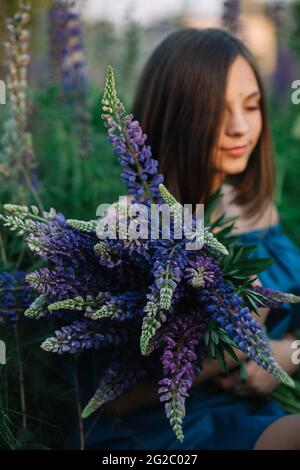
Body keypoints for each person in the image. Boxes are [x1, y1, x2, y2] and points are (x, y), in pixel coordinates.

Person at [79, 27, 300, 450]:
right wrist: (237, 350)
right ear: (176, 115)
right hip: (173, 431)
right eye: (216, 109)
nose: (240, 127)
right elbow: (110, 398)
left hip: (264, 410)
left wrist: (283, 354)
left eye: (251, 106)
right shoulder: (133, 228)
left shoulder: (256, 209)